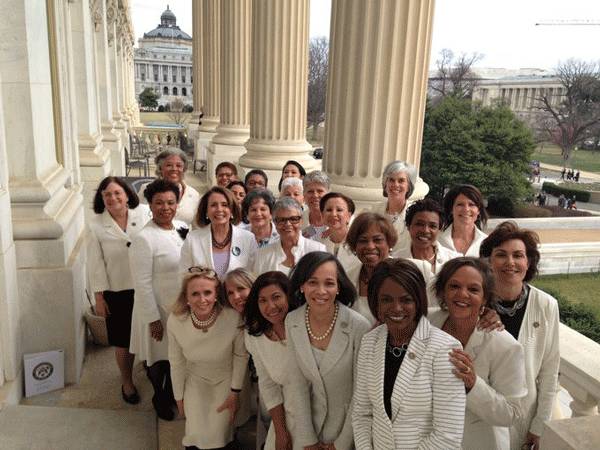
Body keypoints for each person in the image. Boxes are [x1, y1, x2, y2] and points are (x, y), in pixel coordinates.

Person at [352, 259, 466, 449]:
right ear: (375, 303)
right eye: (386, 299)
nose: (396, 308)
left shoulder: (444, 348)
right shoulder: (370, 341)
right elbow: (362, 414)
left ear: (418, 301)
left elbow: (448, 436)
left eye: (406, 300)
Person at [429, 257, 527, 450]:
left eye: (473, 289)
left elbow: (512, 413)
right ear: (442, 292)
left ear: (485, 298)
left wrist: (473, 385)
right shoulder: (427, 322)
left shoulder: (505, 346)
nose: (462, 294)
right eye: (454, 286)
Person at [480, 222, 560, 450]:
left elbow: (549, 370)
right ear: (488, 261)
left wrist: (540, 424)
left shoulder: (546, 305)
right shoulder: (475, 302)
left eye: (518, 255)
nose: (510, 262)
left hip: (525, 415)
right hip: (481, 414)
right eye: (501, 255)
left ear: (529, 262)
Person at [285, 252, 371, 450]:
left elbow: (362, 392)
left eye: (329, 283)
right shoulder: (292, 321)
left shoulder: (358, 326)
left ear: (339, 287)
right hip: (307, 431)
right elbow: (297, 384)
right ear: (302, 285)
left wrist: (340, 444)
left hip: (346, 433)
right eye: (313, 282)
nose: (321, 291)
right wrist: (307, 438)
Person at [168, 268, 248, 449]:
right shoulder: (175, 320)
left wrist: (235, 393)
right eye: (195, 294)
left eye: (207, 292)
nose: (202, 299)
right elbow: (176, 362)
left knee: (218, 433)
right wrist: (179, 398)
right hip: (195, 379)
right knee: (195, 432)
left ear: (216, 295)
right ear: (186, 297)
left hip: (226, 380)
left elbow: (240, 356)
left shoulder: (232, 317)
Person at [88, 176, 151, 404]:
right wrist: (99, 296)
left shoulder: (144, 213)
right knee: (123, 341)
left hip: (147, 285)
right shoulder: (96, 225)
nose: (113, 198)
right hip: (118, 291)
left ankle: (150, 368)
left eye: (117, 193)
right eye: (107, 194)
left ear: (127, 195)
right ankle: (127, 381)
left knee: (149, 333)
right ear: (102, 198)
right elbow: (95, 263)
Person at [129, 179, 188, 421]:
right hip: (156, 308)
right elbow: (141, 283)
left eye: (171, 202)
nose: (166, 208)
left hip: (180, 307)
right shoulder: (144, 238)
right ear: (150, 205)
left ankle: (173, 392)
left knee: (175, 356)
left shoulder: (182, 227)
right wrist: (153, 319)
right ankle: (159, 396)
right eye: (159, 203)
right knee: (158, 358)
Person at [244, 271, 301, 450]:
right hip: (284, 415)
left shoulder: (305, 326)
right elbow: (268, 384)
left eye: (276, 297)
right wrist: (281, 431)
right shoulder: (255, 336)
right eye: (263, 300)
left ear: (289, 296)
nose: (271, 306)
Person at [345, 212, 433, 325]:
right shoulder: (347, 279)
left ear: (389, 242)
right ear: (354, 246)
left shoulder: (418, 270)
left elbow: (434, 313)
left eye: (377, 240)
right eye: (363, 241)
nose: (370, 246)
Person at [180, 186, 257, 280]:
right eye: (213, 205)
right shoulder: (192, 239)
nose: (219, 209)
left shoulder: (248, 238)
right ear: (206, 212)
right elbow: (184, 276)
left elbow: (252, 276)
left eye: (225, 205)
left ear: (232, 210)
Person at [253, 197, 325, 276]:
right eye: (282, 220)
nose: (288, 224)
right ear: (274, 223)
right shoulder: (262, 255)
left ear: (301, 221)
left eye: (293, 219)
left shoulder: (317, 250)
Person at [395, 198, 461, 273]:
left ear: (439, 230)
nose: (425, 230)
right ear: (408, 226)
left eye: (432, 226)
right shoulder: (395, 261)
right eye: (419, 224)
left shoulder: (454, 261)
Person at [138, 148, 201, 227]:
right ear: (160, 168)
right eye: (169, 165)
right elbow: (137, 219)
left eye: (178, 165)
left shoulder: (193, 194)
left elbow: (197, 226)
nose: (174, 169)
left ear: (184, 169)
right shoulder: (146, 189)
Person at [374, 160, 418, 256]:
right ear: (385, 184)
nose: (395, 185)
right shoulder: (374, 211)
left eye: (401, 181)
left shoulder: (415, 215)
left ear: (409, 186)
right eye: (391, 180)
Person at [438, 184, 489, 257]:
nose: (466, 209)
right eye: (460, 204)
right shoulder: (439, 243)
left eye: (471, 204)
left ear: (478, 210)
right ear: (451, 209)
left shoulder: (487, 243)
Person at [314, 192, 359, 267]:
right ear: (322, 215)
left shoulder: (358, 243)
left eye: (339, 210)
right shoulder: (316, 242)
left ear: (349, 216)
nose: (333, 214)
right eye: (329, 210)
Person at [302, 171, 330, 240]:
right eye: (310, 191)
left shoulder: (340, 221)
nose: (315, 195)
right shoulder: (298, 220)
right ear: (304, 195)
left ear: (328, 194)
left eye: (320, 191)